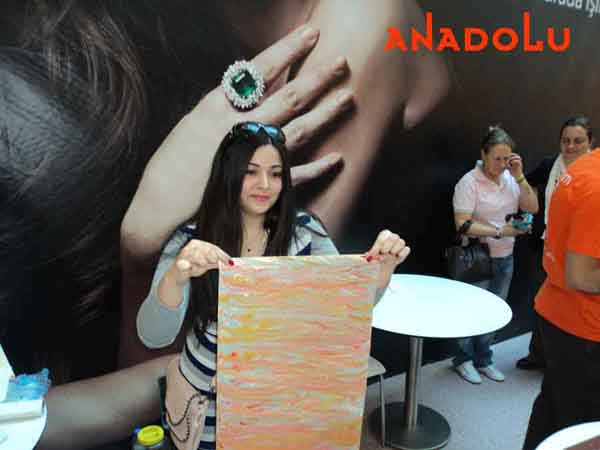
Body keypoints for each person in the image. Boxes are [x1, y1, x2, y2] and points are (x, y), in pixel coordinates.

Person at [136, 122, 410, 449]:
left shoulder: (305, 234)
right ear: (228, 174)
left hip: (283, 402)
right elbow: (153, 335)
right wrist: (176, 276)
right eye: (251, 172)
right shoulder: (191, 241)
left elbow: (348, 312)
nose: (265, 185)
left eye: (276, 173)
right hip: (207, 409)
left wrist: (383, 268)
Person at [522, 148, 600, 450]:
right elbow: (581, 276)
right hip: (584, 328)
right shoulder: (595, 185)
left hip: (563, 316)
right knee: (583, 431)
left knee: (552, 412)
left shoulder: (587, 167)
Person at [451, 126, 539, 384]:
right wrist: (500, 231)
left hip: (505, 256)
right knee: (470, 310)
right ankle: (463, 359)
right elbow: (462, 224)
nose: (501, 164)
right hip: (477, 257)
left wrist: (519, 176)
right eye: (496, 158)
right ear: (483, 154)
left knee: (494, 311)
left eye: (506, 159)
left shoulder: (511, 178)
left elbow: (532, 207)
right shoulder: (469, 182)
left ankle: (483, 358)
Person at [517, 116, 595, 371]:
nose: (570, 146)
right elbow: (527, 182)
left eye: (578, 141)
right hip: (545, 246)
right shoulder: (551, 164)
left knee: (573, 308)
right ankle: (538, 354)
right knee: (543, 304)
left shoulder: (594, 174)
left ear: (591, 142)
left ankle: (561, 363)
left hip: (580, 253)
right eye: (565, 140)